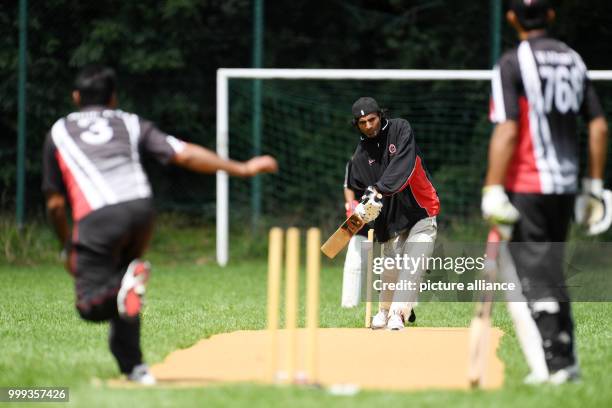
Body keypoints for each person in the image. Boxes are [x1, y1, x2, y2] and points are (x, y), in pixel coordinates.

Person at [42, 65, 278, 385]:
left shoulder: (59, 131)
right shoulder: (129, 121)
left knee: (90, 305)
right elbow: (183, 154)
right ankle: (135, 368)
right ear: (113, 98)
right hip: (142, 209)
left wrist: (66, 244)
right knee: (125, 287)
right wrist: (242, 168)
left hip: (99, 216)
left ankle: (128, 298)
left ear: (75, 96)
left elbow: (55, 204)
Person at [482, 0, 608, 385]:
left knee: (532, 276)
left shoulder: (512, 61)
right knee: (550, 270)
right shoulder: (573, 59)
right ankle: (563, 362)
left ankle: (554, 365)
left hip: (528, 184)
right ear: (550, 16)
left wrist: (492, 187)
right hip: (565, 186)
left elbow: (506, 129)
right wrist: (595, 187)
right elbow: (599, 126)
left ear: (511, 18)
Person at [347, 97, 440, 330]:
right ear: (356, 125)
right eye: (362, 122)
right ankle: (384, 311)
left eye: (372, 119)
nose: (369, 125)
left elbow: (403, 166)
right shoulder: (360, 156)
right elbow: (360, 191)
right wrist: (363, 208)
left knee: (412, 263)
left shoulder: (400, 129)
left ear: (380, 115)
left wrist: (377, 189)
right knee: (390, 268)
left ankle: (398, 314)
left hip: (421, 210)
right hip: (391, 219)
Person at [340, 161, 368, 308]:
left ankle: (403, 307)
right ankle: (349, 305)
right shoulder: (355, 161)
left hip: (388, 214)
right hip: (361, 215)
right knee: (354, 260)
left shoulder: (391, 159)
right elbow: (348, 186)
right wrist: (351, 204)